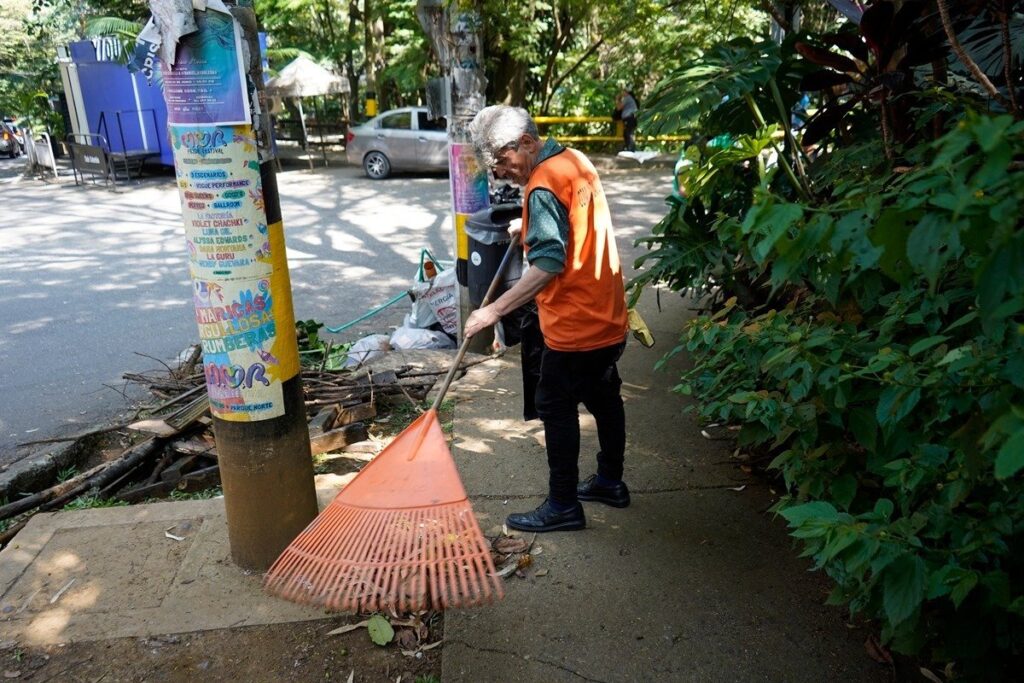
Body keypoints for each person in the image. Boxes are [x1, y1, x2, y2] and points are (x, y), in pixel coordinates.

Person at [465, 105, 630, 533]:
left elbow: (548, 265)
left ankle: (562, 506)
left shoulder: (542, 184)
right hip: (607, 314)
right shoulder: (573, 160)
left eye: (502, 160)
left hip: (576, 325)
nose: (501, 172)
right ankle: (610, 481)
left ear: (525, 142)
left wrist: (493, 310)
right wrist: (532, 226)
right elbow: (572, 221)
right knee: (604, 394)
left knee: (554, 405)